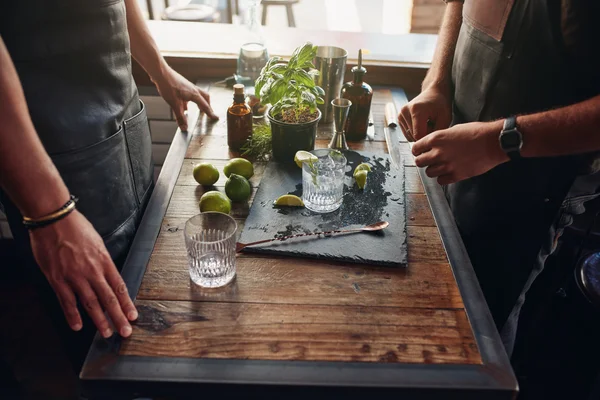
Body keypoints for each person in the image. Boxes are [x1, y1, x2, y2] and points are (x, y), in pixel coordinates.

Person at [0, 0, 218, 395]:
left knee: (146, 288)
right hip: (53, 158)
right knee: (106, 339)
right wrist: (50, 213)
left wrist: (158, 68)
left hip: (122, 118)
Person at [399, 0, 600, 356]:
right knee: (438, 302)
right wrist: (437, 83)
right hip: (462, 146)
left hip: (536, 181)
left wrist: (499, 141)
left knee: (480, 326)